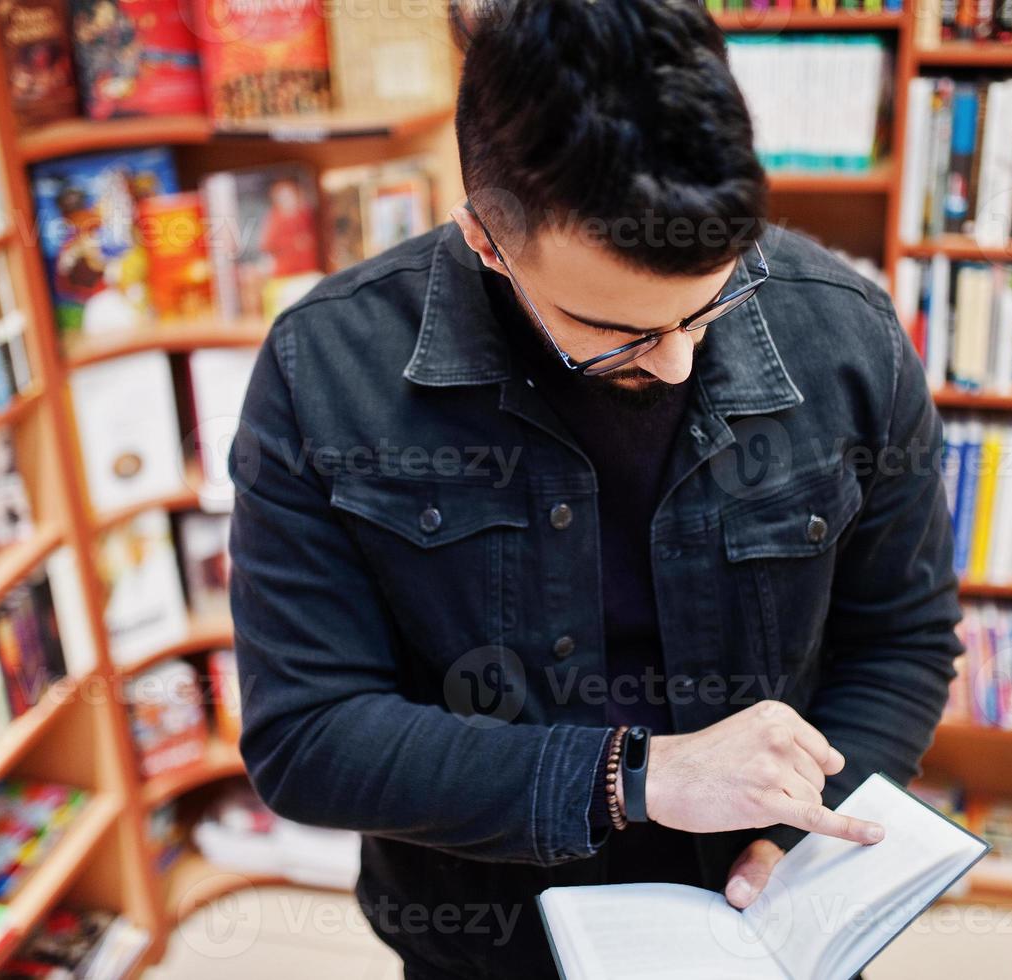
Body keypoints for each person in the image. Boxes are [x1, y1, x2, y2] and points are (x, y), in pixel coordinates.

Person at [228, 2, 963, 977]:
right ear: (487, 237)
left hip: (761, 921)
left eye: (715, 302)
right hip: (488, 937)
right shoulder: (323, 369)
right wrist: (635, 776)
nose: (675, 362)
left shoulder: (850, 338)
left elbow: (901, 637)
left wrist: (794, 836)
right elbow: (308, 734)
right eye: (618, 334)